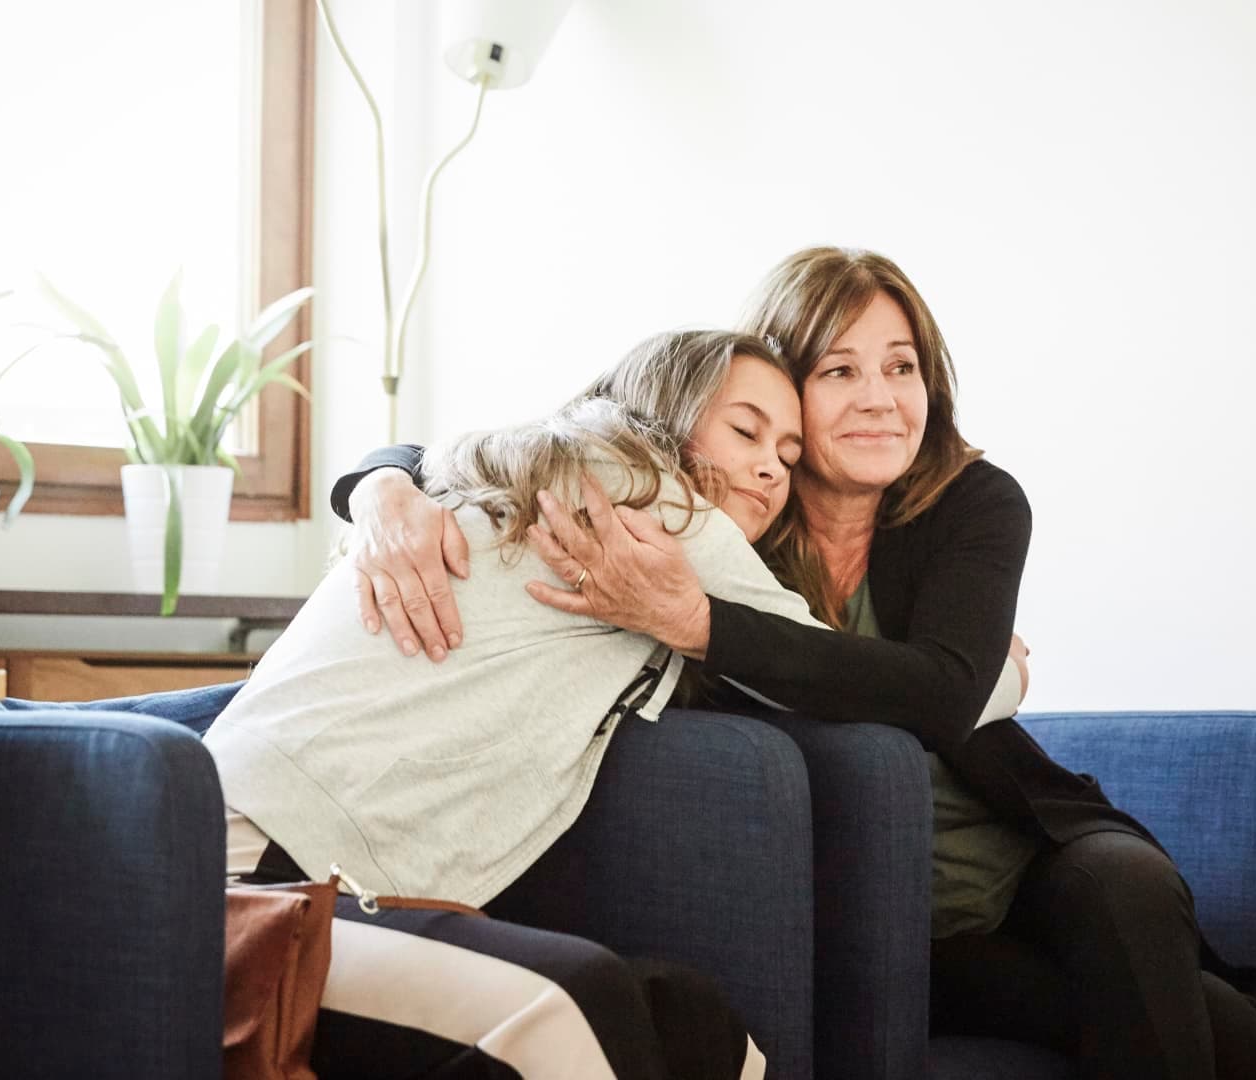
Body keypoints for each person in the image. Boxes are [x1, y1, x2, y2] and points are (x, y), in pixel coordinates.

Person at [334, 248, 1256, 1080]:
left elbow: (940, 695)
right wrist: (380, 481)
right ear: (777, 378)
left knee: (1127, 891)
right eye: (839, 371)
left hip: (1026, 853)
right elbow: (552, 433)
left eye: (901, 367)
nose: (880, 399)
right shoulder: (726, 502)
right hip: (902, 907)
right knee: (1183, 1016)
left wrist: (699, 624)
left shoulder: (975, 504)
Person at [208, 329, 819, 1080]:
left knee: (689, 1019)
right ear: (670, 414)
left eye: (790, 456)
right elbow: (842, 670)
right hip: (251, 889)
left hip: (319, 877)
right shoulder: (659, 504)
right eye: (745, 431)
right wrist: (1003, 666)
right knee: (572, 1008)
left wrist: (377, 479)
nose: (769, 467)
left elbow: (401, 458)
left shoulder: (511, 470)